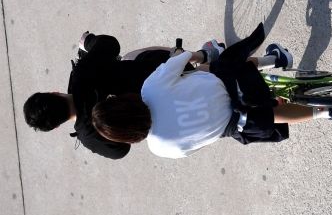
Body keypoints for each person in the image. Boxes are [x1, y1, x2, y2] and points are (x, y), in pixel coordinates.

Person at [91, 24, 332, 159]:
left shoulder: (160, 148)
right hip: (234, 83)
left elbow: (197, 144)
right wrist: (184, 54)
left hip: (240, 123)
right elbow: (182, 60)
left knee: (271, 117)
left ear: (127, 137)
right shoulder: (150, 89)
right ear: (123, 101)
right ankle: (277, 59)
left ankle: (328, 112)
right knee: (223, 65)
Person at [23, 31, 223, 160]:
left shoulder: (87, 135)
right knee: (133, 57)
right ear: (53, 93)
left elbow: (120, 151)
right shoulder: (82, 73)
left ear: (56, 126)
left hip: (170, 114)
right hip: (160, 71)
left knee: (193, 83)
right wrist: (91, 43)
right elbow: (111, 45)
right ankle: (205, 55)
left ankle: (212, 69)